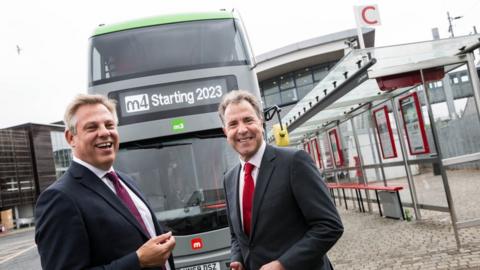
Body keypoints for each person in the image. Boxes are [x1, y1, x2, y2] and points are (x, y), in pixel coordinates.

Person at [35, 94, 176, 270]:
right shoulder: (59, 198)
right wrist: (137, 260)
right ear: (71, 138)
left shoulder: (126, 181)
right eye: (92, 127)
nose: (104, 132)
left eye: (109, 125)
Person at [218, 90, 343, 270]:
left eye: (248, 120)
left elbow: (330, 226)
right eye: (233, 124)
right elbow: (237, 237)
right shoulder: (229, 179)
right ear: (225, 131)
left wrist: (283, 264)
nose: (242, 130)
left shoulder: (294, 162)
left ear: (261, 122)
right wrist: (238, 259)